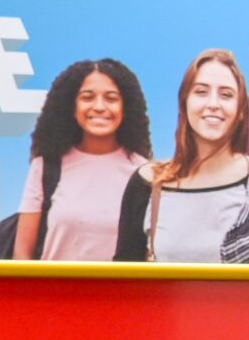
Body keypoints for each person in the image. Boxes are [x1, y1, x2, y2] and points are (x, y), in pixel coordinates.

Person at [116, 49, 249, 262]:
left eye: (226, 95)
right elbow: (124, 286)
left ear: (241, 110)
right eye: (201, 92)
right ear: (184, 102)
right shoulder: (146, 183)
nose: (213, 104)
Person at [10, 58, 153, 262]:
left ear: (126, 107)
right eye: (87, 97)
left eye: (111, 98)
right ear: (71, 106)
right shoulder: (46, 168)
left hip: (119, 294)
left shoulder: (144, 174)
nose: (99, 107)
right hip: (52, 293)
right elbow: (22, 255)